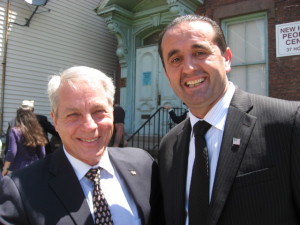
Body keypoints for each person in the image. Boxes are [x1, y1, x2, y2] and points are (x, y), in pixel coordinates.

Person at [158, 14, 300, 225]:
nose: (188, 68)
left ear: (226, 59)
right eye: (176, 59)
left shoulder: (288, 123)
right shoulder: (169, 146)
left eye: (199, 52)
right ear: (167, 75)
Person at [0, 66, 163, 225]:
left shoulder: (144, 165)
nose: (90, 126)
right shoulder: (20, 190)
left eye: (98, 111)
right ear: (55, 121)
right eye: (73, 115)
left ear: (112, 114)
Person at [1, 106, 47, 176]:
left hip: (17, 169)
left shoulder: (14, 131)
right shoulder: (37, 131)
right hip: (34, 167)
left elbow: (12, 152)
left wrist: (5, 168)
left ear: (18, 117)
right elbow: (42, 153)